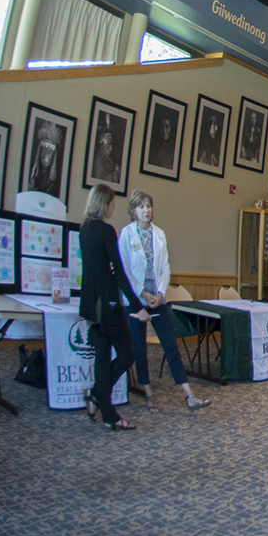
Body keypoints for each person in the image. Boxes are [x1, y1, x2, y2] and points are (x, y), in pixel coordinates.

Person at [116, 190, 212, 412]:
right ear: (133, 211)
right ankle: (148, 393)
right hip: (135, 299)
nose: (146, 210)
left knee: (171, 346)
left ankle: (188, 395)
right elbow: (125, 270)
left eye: (149, 206)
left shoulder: (159, 234)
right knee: (139, 349)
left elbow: (165, 267)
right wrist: (142, 293)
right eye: (141, 206)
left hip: (157, 299)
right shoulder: (126, 234)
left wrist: (159, 292)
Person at [78, 184, 148, 431]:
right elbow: (118, 271)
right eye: (112, 203)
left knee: (101, 357)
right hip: (107, 304)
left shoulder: (84, 229)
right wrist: (137, 306)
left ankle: (103, 406)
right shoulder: (107, 231)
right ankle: (100, 397)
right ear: (104, 204)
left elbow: (95, 269)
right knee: (127, 354)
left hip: (90, 305)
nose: (113, 207)